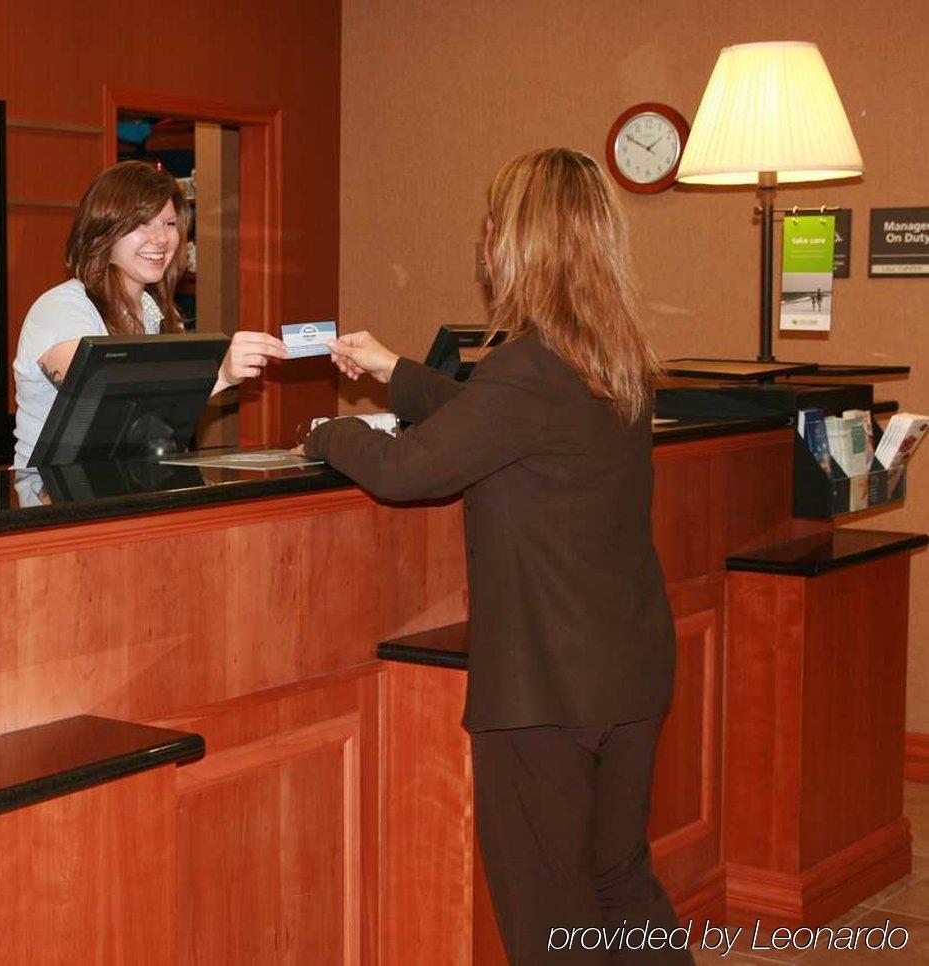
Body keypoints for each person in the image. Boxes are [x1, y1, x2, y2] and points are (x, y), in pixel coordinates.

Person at [305, 148, 688, 964]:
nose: (483, 240)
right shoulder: (615, 361)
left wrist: (326, 433)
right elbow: (497, 419)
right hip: (629, 671)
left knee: (549, 917)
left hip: (547, 691)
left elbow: (410, 469)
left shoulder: (526, 370)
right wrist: (394, 372)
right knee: (619, 881)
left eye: (492, 225)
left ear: (519, 244)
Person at [12, 160, 287, 466]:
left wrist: (222, 374)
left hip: (125, 485)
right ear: (104, 230)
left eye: (169, 224)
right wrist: (218, 372)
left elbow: (156, 410)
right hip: (51, 494)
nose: (160, 238)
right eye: (142, 224)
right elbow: (106, 398)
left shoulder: (152, 310)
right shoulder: (61, 308)